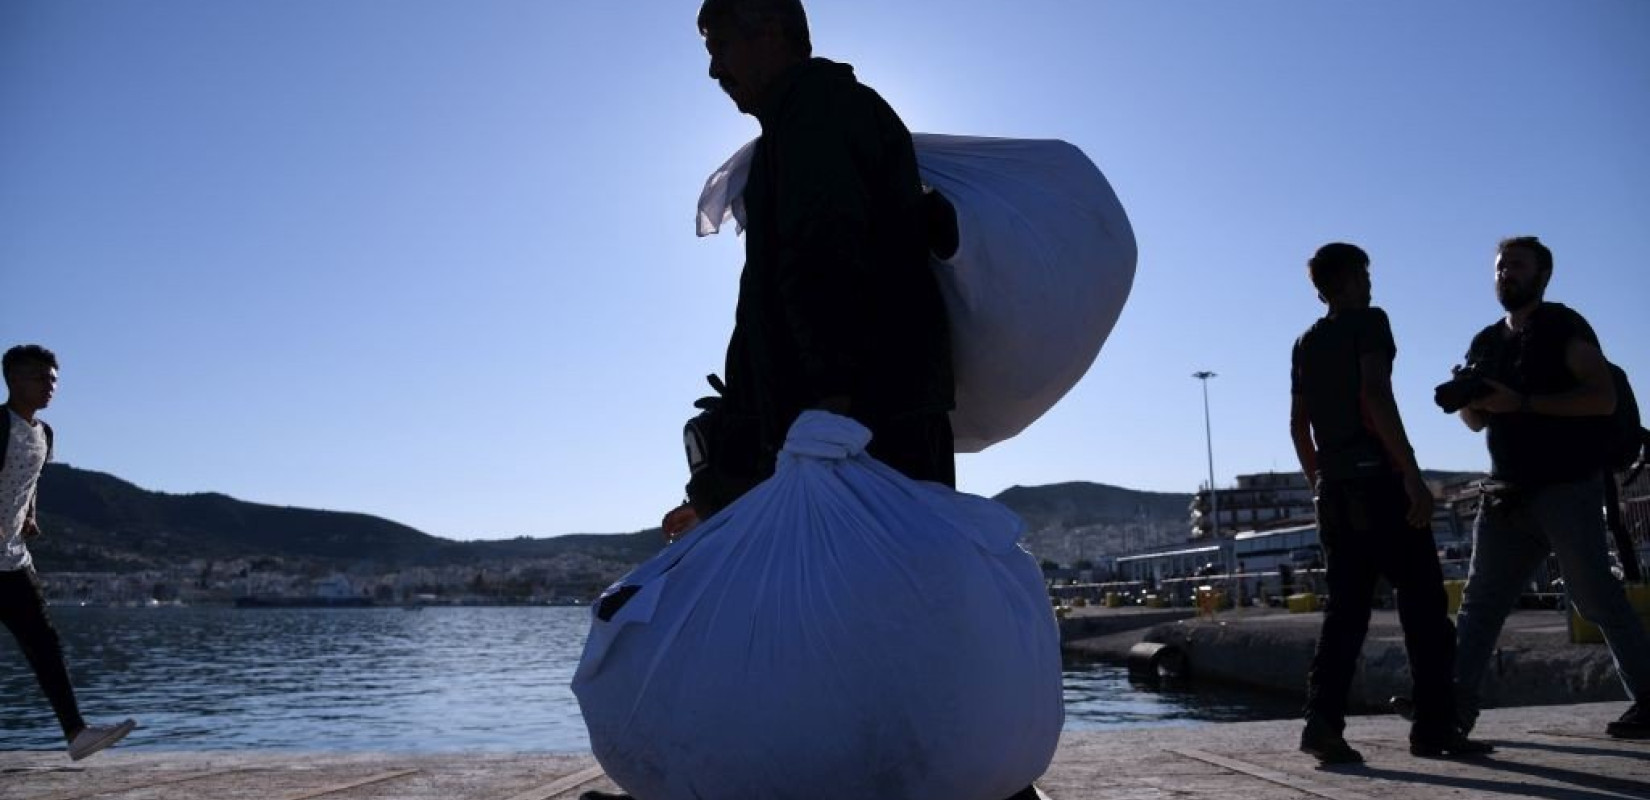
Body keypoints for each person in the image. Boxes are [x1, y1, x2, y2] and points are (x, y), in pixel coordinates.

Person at [661, 0, 956, 541]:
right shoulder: (805, 120)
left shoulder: (815, 111)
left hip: (857, 438)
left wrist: (829, 415)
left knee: (863, 613)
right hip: (847, 433)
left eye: (720, 46)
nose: (714, 70)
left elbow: (825, 257)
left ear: (770, 29)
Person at [1288, 243, 1490, 763]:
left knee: (1345, 614)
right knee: (1424, 608)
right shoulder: (1370, 323)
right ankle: (1432, 729)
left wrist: (1320, 482)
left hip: (1334, 492)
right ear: (1352, 280)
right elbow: (1376, 395)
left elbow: (1298, 425)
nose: (1371, 284)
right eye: (1366, 275)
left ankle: (1322, 723)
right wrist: (1412, 477)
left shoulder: (1306, 343)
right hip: (1379, 484)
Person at [1451, 236, 1650, 739]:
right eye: (1499, 267)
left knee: (1596, 599)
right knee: (1479, 604)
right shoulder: (1486, 341)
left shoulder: (1565, 326)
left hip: (1566, 488)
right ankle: (1450, 712)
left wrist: (1521, 403)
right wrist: (1468, 398)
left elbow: (1601, 399)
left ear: (1543, 275)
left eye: (1516, 266)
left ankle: (1649, 700)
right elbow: (1476, 423)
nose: (1505, 274)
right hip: (1504, 494)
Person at [1, 344, 137, 760]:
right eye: (41, 378)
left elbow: (30, 478)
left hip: (11, 558)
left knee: (45, 644)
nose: (51, 387)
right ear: (14, 380)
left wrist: (29, 515)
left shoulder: (45, 433)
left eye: (54, 379)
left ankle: (76, 733)